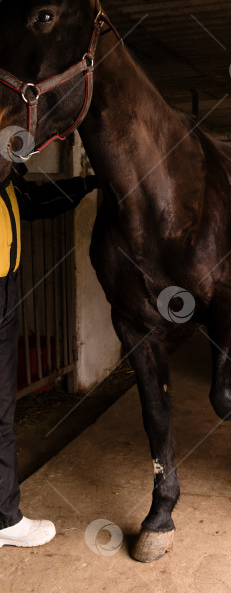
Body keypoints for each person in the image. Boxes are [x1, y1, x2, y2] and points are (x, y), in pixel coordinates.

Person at [0, 162, 97, 548]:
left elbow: (38, 201)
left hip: (6, 290)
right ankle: (4, 519)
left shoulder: (8, 182)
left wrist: (89, 182)